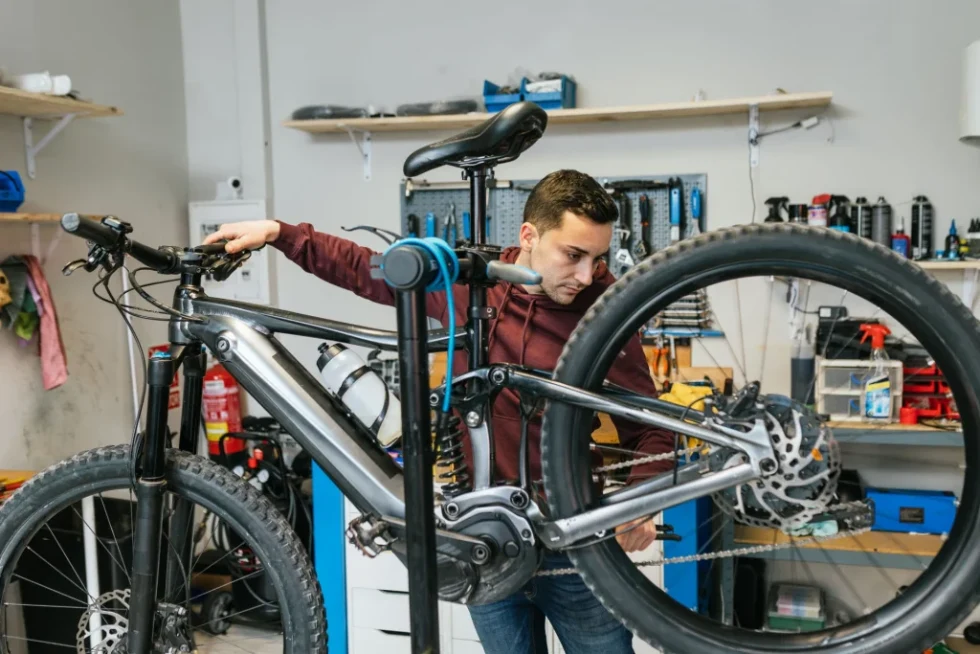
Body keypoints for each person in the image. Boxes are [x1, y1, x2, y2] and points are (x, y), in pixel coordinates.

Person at [204, 169, 675, 654]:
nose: (585, 274)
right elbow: (367, 268)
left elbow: (652, 429)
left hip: (576, 549)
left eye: (596, 259)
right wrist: (282, 235)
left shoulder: (604, 309)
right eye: (573, 255)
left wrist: (641, 501)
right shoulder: (474, 289)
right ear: (529, 235)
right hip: (484, 541)